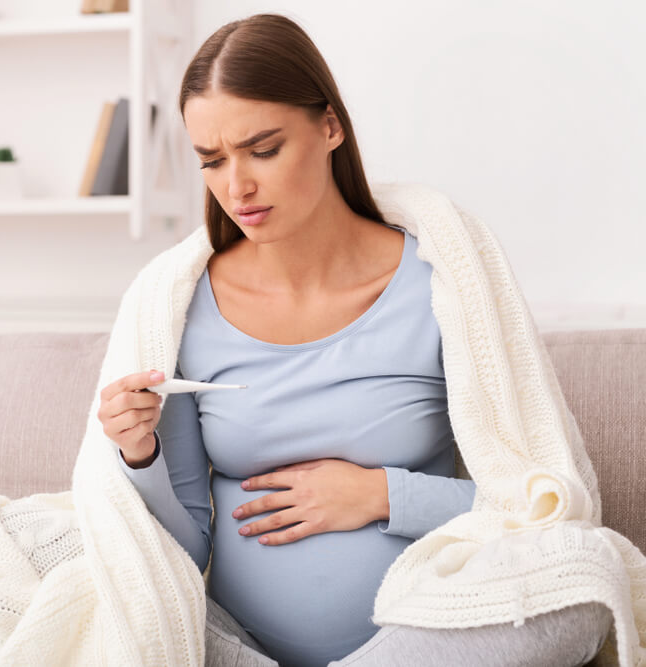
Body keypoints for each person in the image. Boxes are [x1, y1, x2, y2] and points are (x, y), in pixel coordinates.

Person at [95, 13, 612, 667]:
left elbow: (536, 505)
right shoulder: (178, 307)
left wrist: (381, 494)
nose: (237, 186)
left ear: (330, 126)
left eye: (263, 148)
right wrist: (138, 454)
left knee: (581, 582)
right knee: (106, 603)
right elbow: (175, 555)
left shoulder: (443, 277)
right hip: (239, 643)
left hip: (434, 625)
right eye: (212, 160)